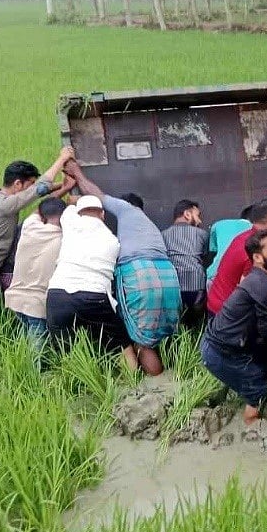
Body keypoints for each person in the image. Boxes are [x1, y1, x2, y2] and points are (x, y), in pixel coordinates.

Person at [65, 161, 181, 376]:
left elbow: (97, 195)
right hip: (167, 274)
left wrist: (76, 174)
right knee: (162, 334)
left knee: (140, 340)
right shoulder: (147, 227)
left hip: (141, 274)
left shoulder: (128, 209)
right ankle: (172, 377)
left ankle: (155, 384)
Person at [0, 147, 74, 337]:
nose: (31, 189)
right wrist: (62, 158)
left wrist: (64, 186)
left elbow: (39, 198)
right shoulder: (4, 206)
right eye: (29, 184)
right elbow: (40, 189)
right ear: (18, 184)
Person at [200, 229, 267, 433]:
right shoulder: (262, 284)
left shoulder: (257, 279)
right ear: (257, 257)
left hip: (216, 346)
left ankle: (234, 394)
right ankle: (252, 433)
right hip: (222, 353)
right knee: (260, 391)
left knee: (257, 375)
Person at [45, 195, 132, 360]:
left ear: (79, 213)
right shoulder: (113, 241)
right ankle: (133, 380)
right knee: (121, 344)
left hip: (58, 294)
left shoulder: (70, 221)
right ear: (103, 215)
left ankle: (71, 382)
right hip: (94, 295)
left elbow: (69, 206)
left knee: (64, 349)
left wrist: (73, 199)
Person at [4, 197, 67, 350]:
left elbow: (36, 212)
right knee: (35, 351)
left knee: (22, 342)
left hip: (14, 298)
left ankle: (16, 370)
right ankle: (31, 374)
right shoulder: (65, 239)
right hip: (37, 304)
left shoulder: (29, 226)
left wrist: (61, 189)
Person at [207, 199, 267, 317]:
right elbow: (248, 292)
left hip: (216, 303)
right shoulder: (255, 249)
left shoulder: (243, 237)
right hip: (227, 314)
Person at [162, 199, 210, 327]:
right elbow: (204, 257)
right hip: (196, 283)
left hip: (172, 283)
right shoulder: (202, 234)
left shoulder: (163, 235)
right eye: (198, 215)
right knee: (196, 324)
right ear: (187, 214)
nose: (200, 221)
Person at [207, 211, 254, 283]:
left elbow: (213, 250)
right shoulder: (254, 229)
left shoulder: (218, 224)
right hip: (238, 276)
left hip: (213, 274)